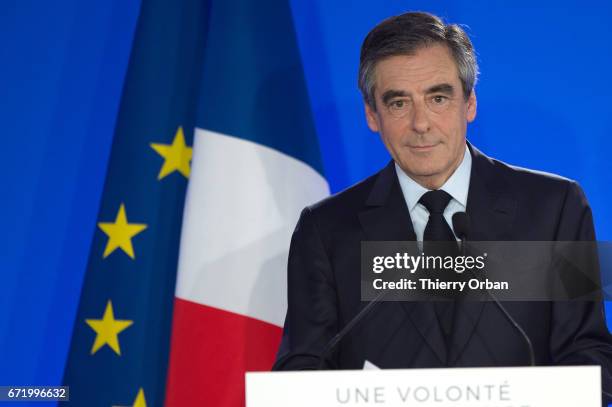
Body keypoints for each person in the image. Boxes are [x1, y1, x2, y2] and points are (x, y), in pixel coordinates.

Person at [272, 11, 612, 401]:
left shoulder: (555, 209)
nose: (421, 123)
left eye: (438, 98)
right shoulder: (326, 231)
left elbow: (592, 356)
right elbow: (300, 374)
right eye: (399, 103)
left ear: (469, 103)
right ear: (372, 115)